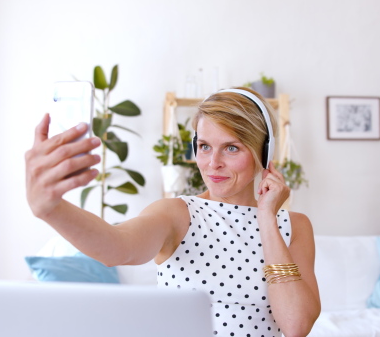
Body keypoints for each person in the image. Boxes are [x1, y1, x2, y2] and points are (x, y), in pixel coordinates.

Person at [25, 87, 321, 337]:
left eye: (231, 148)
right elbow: (117, 247)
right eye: (204, 146)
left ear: (263, 152)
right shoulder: (178, 214)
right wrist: (52, 209)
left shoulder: (293, 225)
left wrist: (267, 218)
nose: (212, 162)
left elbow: (296, 325)